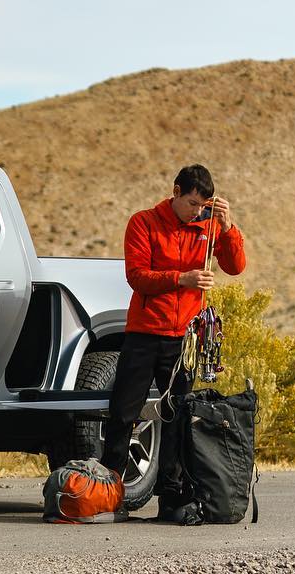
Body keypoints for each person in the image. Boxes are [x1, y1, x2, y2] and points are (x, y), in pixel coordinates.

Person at [103, 164, 247, 520]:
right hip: (144, 333)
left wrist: (228, 229)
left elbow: (236, 266)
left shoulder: (209, 228)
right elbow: (137, 277)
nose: (196, 211)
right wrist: (182, 278)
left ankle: (172, 498)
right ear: (176, 191)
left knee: (179, 417)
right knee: (124, 413)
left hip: (185, 339)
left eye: (203, 205)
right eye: (191, 203)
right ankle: (110, 494)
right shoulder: (144, 222)